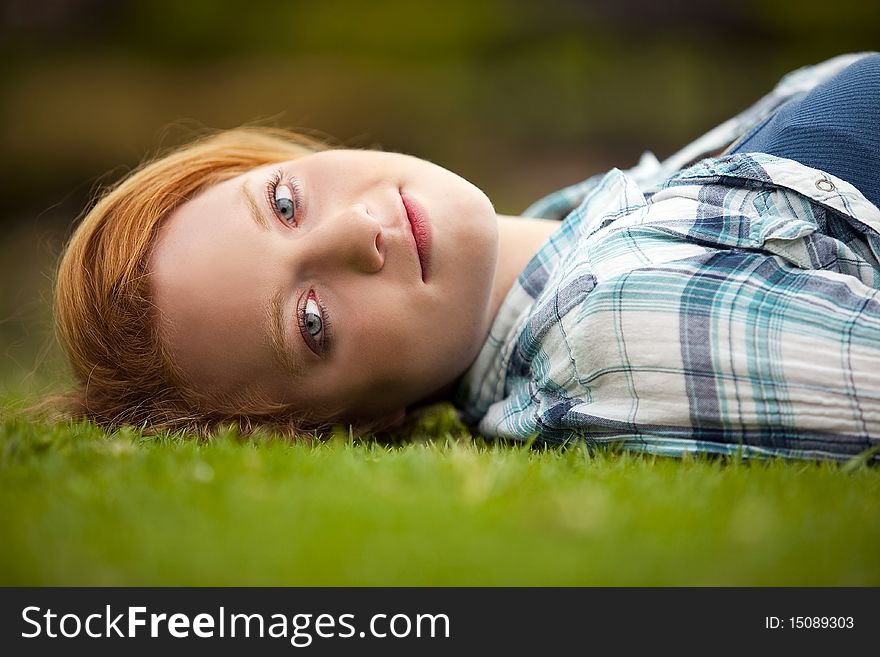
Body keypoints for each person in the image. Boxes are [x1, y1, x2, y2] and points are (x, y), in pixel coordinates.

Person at [54, 52, 880, 461]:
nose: (352, 237)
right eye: (310, 320)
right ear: (360, 422)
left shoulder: (595, 227)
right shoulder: (610, 327)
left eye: (283, 203)